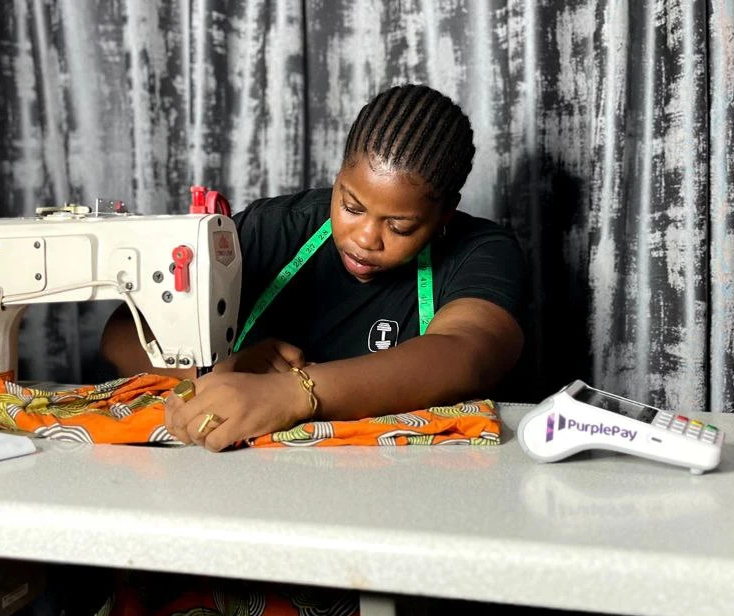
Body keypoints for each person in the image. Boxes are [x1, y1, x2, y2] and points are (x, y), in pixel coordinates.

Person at [100, 83, 526, 450]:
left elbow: (469, 353)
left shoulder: (480, 251)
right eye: (351, 206)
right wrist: (217, 372)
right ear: (338, 177)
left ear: (445, 216)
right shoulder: (274, 228)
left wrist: (293, 394)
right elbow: (122, 333)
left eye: (399, 226)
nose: (365, 238)